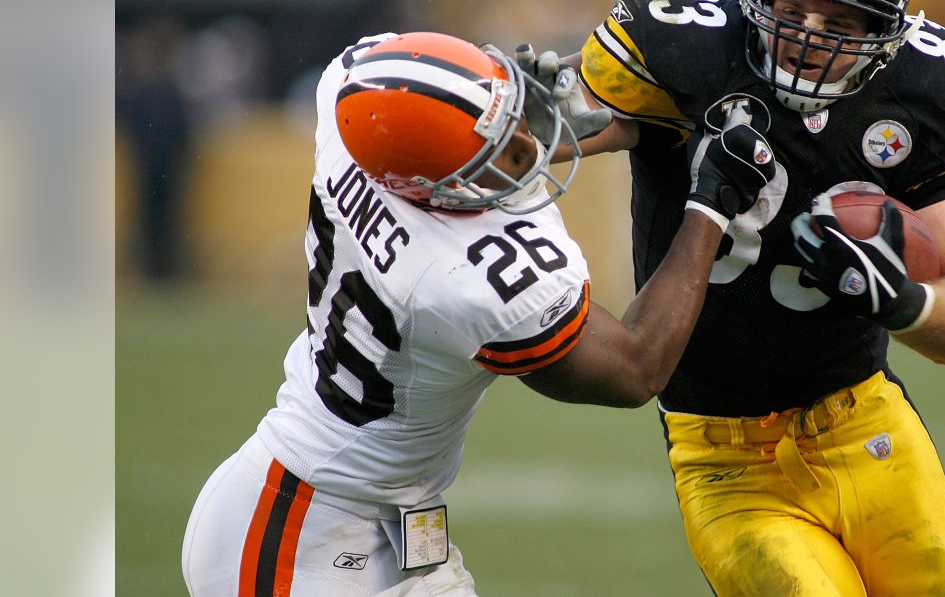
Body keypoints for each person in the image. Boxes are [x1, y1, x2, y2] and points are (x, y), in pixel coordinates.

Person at [517, 0, 945, 596]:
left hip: (865, 425)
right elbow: (541, 139)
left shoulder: (925, 93)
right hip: (724, 459)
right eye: (792, 9)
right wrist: (521, 117)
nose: (807, 35)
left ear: (885, 35)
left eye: (839, 23)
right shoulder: (688, 55)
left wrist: (897, 299)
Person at [180, 31, 775, 596]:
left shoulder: (355, 97)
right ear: (429, 189)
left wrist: (516, 105)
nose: (526, 145)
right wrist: (710, 205)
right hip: (297, 537)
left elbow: (428, 91)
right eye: (497, 155)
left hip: (368, 514)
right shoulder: (457, 281)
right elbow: (636, 369)